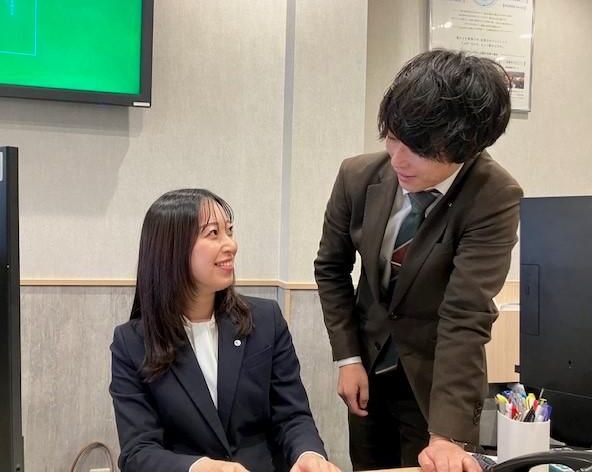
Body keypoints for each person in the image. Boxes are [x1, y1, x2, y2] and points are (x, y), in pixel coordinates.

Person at [314, 49, 523, 472]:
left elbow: (465, 314)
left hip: (436, 383)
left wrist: (447, 435)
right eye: (392, 137)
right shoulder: (358, 176)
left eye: (420, 150)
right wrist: (348, 358)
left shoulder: (493, 196)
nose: (397, 160)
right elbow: (330, 268)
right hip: (369, 370)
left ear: (467, 147)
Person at [110, 189, 341, 472]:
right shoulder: (131, 343)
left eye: (229, 231)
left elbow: (292, 416)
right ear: (172, 248)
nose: (231, 244)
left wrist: (308, 454)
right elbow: (138, 452)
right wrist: (200, 468)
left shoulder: (265, 319)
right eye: (213, 233)